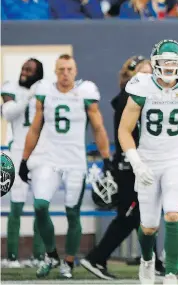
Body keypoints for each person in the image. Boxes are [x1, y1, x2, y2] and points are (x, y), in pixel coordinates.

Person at [118, 40, 178, 284]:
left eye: (174, 64)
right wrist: (137, 162)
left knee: (172, 214)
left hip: (175, 158)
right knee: (148, 226)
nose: (169, 68)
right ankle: (147, 260)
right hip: (147, 159)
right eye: (164, 63)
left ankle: (171, 273)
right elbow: (124, 131)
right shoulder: (142, 86)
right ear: (154, 63)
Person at [18, 54, 111, 279]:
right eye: (61, 69)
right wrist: (24, 159)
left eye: (69, 69)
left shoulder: (85, 92)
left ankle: (68, 262)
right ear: (55, 71)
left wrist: (106, 158)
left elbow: (98, 127)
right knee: (40, 206)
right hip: (50, 159)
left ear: (76, 71)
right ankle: (51, 254)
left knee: (72, 213)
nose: (65, 74)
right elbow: (34, 128)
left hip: (75, 161)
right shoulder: (45, 91)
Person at [80, 56, 167, 280]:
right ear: (131, 76)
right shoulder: (129, 97)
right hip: (130, 165)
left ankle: (154, 261)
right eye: (144, 72)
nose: (150, 77)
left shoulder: (134, 95)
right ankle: (97, 257)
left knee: (145, 213)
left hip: (138, 161)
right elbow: (128, 133)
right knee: (130, 215)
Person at [1, 59, 45, 268]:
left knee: (40, 205)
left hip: (41, 152)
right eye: (23, 69)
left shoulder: (45, 90)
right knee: (16, 204)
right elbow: (8, 113)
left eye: (29, 70)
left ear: (38, 74)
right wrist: (28, 97)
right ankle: (11, 257)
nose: (24, 73)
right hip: (18, 151)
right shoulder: (10, 87)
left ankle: (38, 255)